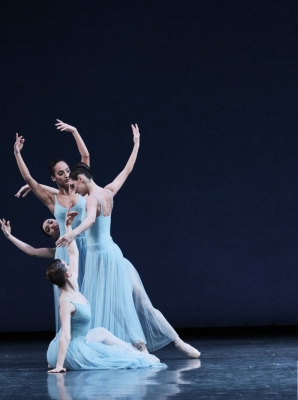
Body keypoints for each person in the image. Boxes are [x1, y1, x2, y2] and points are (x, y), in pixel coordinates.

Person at [55, 124, 200, 358]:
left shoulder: (92, 198)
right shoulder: (108, 191)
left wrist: (72, 233)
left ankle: (140, 347)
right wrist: (136, 144)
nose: (74, 190)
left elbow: (90, 220)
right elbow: (127, 170)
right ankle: (179, 342)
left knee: (118, 307)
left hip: (101, 258)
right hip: (115, 253)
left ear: (81, 179)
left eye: (74, 185)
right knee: (142, 303)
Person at [46, 208, 165, 372]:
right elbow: (65, 335)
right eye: (66, 264)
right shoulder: (66, 301)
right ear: (67, 273)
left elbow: (73, 252)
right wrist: (59, 365)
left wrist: (68, 227)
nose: (69, 264)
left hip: (79, 340)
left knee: (102, 332)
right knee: (110, 355)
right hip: (71, 351)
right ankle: (139, 356)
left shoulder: (72, 282)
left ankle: (141, 353)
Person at [13, 120, 90, 332]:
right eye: (61, 173)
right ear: (53, 177)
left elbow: (85, 158)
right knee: (73, 295)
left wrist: (74, 130)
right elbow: (29, 178)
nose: (66, 175)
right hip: (68, 251)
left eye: (67, 171)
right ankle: (72, 339)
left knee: (92, 292)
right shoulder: (51, 201)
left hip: (88, 246)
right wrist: (18, 154)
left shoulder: (79, 189)